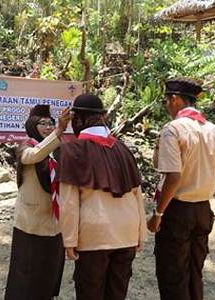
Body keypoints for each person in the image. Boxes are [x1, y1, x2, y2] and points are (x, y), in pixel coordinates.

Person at [148, 77, 215, 300]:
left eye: (167, 100)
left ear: (174, 99)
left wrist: (158, 213)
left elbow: (173, 177)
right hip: (203, 211)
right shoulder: (214, 131)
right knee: (194, 273)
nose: (166, 106)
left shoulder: (173, 130)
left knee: (172, 275)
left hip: (177, 211)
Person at [58, 93, 147, 300]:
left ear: (77, 119)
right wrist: (140, 233)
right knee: (117, 293)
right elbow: (137, 194)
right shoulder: (123, 149)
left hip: (94, 236)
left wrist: (69, 241)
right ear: (102, 117)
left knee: (90, 293)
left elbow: (69, 202)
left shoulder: (71, 150)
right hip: (127, 233)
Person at [4, 105, 72, 300]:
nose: (48, 127)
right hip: (31, 222)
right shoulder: (26, 145)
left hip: (54, 220)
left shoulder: (59, 148)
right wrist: (59, 131)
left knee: (49, 268)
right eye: (42, 123)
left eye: (51, 123)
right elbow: (33, 156)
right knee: (25, 271)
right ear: (32, 125)